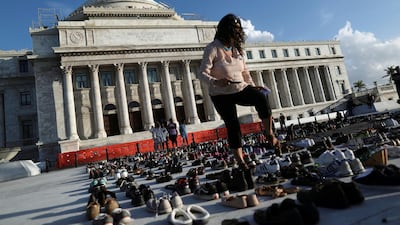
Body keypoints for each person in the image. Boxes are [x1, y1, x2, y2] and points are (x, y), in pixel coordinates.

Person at [199, 13, 280, 170]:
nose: (237, 33)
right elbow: (202, 72)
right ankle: (241, 161)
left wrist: (252, 85)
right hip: (220, 93)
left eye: (238, 30)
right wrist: (216, 81)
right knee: (233, 125)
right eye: (234, 29)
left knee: (261, 97)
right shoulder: (213, 48)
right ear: (225, 30)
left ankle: (269, 133)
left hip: (239, 87)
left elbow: (245, 72)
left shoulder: (237, 50)